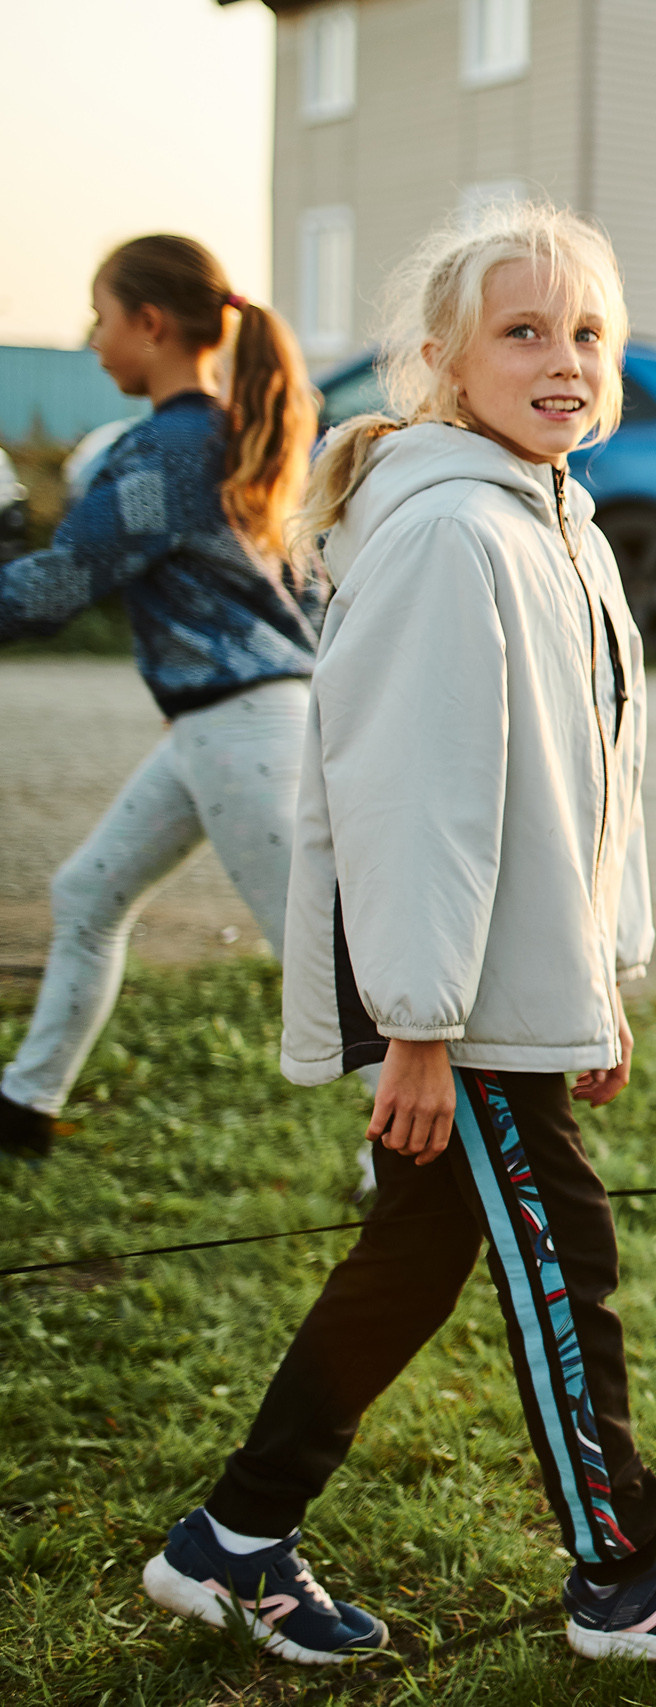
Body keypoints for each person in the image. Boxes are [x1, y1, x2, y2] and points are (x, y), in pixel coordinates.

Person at [141, 203, 656, 1667]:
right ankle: (624, 1572)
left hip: (511, 981)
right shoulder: (453, 530)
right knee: (563, 1252)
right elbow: (417, 797)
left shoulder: (550, 514)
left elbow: (590, 783)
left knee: (423, 1250)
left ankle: (230, 1539)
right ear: (439, 359)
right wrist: (426, 1024)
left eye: (589, 334)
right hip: (452, 994)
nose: (564, 359)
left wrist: (601, 980)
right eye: (523, 331)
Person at [0, 236, 318, 1161]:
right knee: (87, 891)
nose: (91, 340)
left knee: (315, 961)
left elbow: (64, 582)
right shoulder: (235, 430)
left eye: (100, 319)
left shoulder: (166, 448)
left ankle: (416, 1158)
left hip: (241, 727)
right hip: (228, 723)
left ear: (149, 324)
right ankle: (25, 1103)